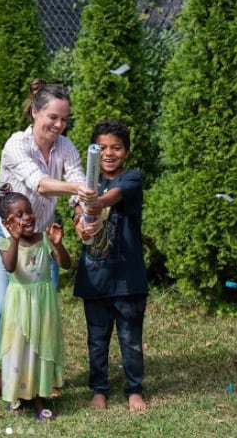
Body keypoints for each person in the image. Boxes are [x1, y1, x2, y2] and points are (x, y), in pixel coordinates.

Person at [0, 78, 98, 402]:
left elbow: (77, 190)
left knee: (43, 312)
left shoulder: (67, 147)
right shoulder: (16, 145)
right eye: (53, 117)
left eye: (64, 119)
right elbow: (41, 184)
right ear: (35, 112)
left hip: (42, 240)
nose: (59, 125)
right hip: (4, 236)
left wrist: (82, 217)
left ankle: (43, 376)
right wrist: (78, 190)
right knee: (0, 310)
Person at [73, 120, 148, 412]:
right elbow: (79, 215)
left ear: (126, 152)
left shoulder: (131, 178)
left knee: (130, 339)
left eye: (116, 147)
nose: (109, 153)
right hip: (94, 278)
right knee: (97, 339)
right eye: (102, 147)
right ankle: (99, 390)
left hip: (128, 279)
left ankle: (134, 389)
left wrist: (96, 201)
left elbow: (110, 198)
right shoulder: (83, 182)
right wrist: (81, 223)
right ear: (93, 150)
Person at [0, 192, 69, 421]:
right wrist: (14, 238)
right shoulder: (4, 243)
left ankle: (39, 396)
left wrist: (58, 244)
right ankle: (19, 394)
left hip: (43, 305)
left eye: (29, 212)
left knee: (39, 347)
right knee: (19, 348)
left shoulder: (45, 239)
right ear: (7, 222)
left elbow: (66, 264)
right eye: (19, 215)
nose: (27, 217)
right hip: (18, 306)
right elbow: (9, 266)